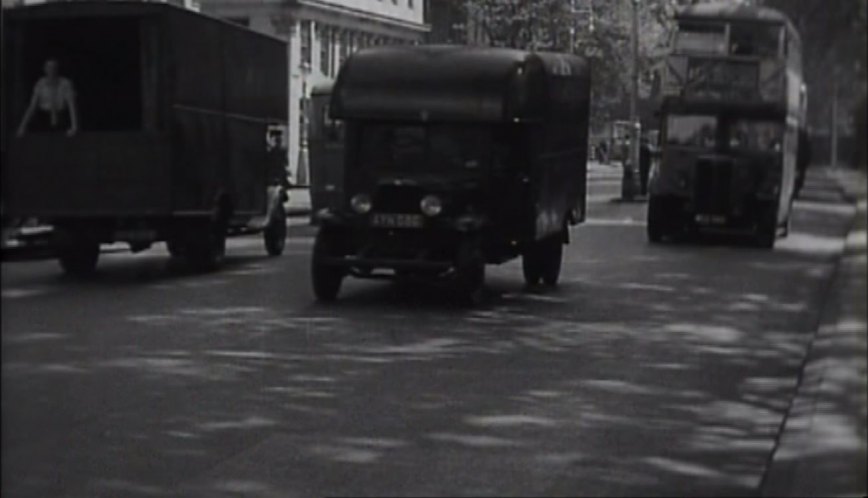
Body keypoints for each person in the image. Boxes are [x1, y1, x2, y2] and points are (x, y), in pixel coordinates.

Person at [16, 58, 78, 137]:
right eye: (49, 67)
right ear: (45, 69)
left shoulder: (65, 83)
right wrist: (22, 127)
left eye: (53, 67)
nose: (51, 70)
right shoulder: (40, 84)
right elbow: (32, 107)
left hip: (62, 117)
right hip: (43, 118)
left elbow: (72, 106)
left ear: (57, 69)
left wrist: (74, 127)